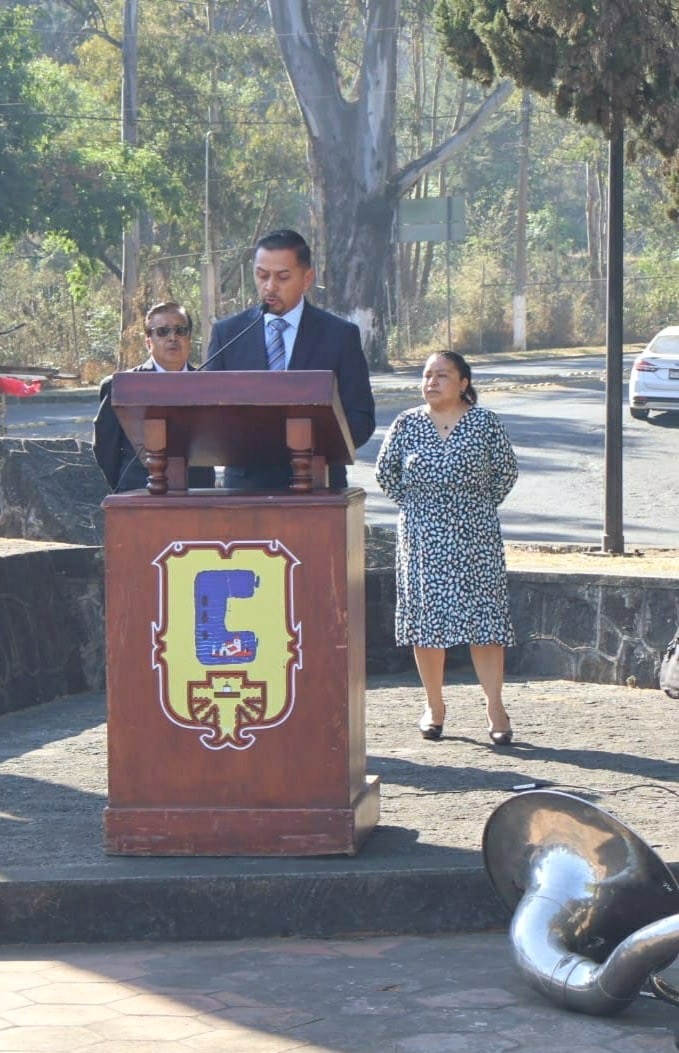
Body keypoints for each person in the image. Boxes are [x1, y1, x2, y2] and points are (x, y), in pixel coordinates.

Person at [375, 350, 518, 745]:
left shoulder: (485, 424)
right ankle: (434, 707)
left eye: (442, 375)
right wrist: (424, 508)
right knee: (428, 626)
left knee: (485, 624)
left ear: (463, 383)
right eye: (426, 375)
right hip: (422, 538)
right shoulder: (407, 424)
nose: (431, 382)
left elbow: (505, 473)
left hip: (476, 536)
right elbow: (386, 475)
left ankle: (495, 706)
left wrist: (470, 507)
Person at [204, 228, 376, 489]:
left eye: (282, 277)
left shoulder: (340, 336)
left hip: (319, 485)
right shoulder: (228, 334)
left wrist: (313, 446)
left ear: (307, 278)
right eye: (262, 276)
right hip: (245, 488)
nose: (270, 287)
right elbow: (208, 413)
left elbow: (361, 417)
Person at [93, 301, 214, 493]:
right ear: (148, 341)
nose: (173, 337)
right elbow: (105, 450)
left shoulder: (210, 385)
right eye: (162, 332)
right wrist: (123, 489)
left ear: (189, 338)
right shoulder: (120, 386)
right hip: (137, 493)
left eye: (180, 330)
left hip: (198, 493)